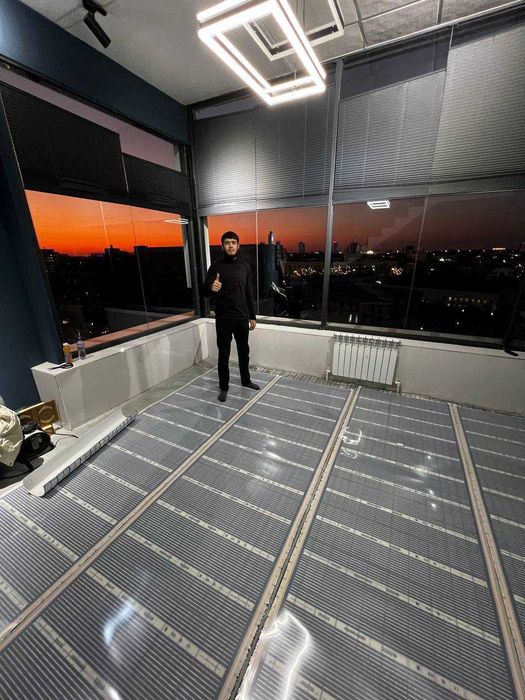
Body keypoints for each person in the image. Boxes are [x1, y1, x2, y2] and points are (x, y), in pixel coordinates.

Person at [203, 231, 260, 402]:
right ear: (222, 246)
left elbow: (249, 293)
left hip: (242, 318)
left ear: (238, 245)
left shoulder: (245, 266)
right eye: (227, 243)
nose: (230, 246)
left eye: (233, 242)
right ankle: (224, 387)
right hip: (223, 319)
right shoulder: (215, 267)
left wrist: (252, 316)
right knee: (224, 355)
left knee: (244, 352)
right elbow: (204, 291)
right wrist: (211, 288)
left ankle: (246, 380)